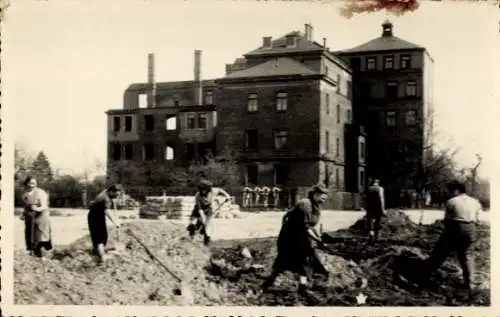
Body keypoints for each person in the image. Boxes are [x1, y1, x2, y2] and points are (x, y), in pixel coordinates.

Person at [261, 184, 330, 293]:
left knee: (305, 260)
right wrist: (318, 241)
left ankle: (302, 287)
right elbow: (305, 227)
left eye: (326, 197)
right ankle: (268, 283)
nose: (324, 199)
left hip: (301, 237)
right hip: (290, 238)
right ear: (315, 194)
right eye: (322, 196)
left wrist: (319, 238)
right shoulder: (305, 204)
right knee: (285, 260)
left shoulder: (316, 206)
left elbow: (312, 226)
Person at [419, 180, 482, 298]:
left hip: (455, 227)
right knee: (467, 255)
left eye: (451, 190)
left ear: (457, 190)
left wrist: (449, 233)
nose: (450, 192)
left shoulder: (451, 201)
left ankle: (425, 276)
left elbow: (447, 219)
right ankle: (469, 284)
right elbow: (477, 220)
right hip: (471, 228)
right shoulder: (475, 202)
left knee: (440, 253)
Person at [187, 179, 232, 245]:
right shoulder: (198, 196)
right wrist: (203, 217)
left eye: (204, 190)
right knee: (193, 223)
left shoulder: (213, 191)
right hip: (198, 210)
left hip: (208, 209)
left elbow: (220, 190)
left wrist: (227, 195)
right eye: (202, 190)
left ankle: (206, 241)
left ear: (208, 189)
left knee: (206, 225)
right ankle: (191, 235)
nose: (203, 191)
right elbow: (200, 209)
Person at [87, 184, 123, 263]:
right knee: (99, 237)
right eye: (116, 195)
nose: (116, 197)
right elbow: (107, 212)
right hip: (95, 217)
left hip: (98, 215)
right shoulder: (106, 199)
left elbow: (106, 209)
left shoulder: (106, 192)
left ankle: (97, 252)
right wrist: (115, 222)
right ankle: (102, 257)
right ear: (111, 192)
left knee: (104, 235)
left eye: (118, 195)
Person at [22, 176, 52, 258]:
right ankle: (32, 252)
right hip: (30, 216)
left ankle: (43, 255)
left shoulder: (41, 192)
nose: (32, 185)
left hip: (41, 217)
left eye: (34, 183)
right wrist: (23, 214)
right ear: (26, 183)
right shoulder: (25, 194)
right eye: (30, 183)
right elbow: (26, 206)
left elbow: (44, 206)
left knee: (40, 235)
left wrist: (36, 209)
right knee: (29, 234)